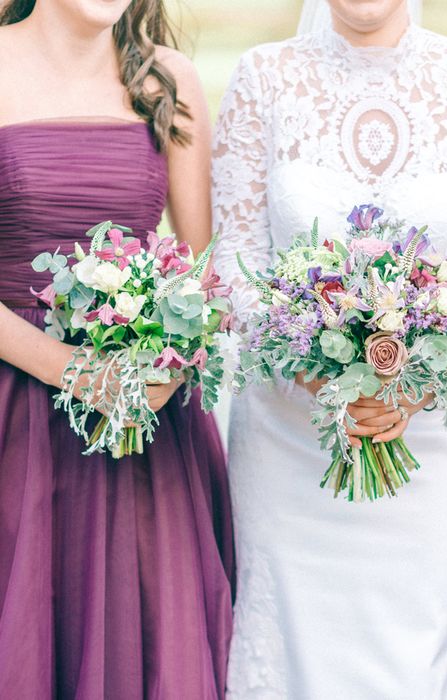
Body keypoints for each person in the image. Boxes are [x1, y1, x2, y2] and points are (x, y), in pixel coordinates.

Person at [212, 0, 447, 696]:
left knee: (414, 655)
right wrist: (324, 378)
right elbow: (234, 264)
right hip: (289, 436)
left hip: (430, 436)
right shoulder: (262, 76)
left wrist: (410, 386)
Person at [0, 1, 234, 696]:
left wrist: (175, 357)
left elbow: (202, 270)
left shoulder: (169, 80)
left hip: (144, 429)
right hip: (13, 411)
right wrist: (71, 370)